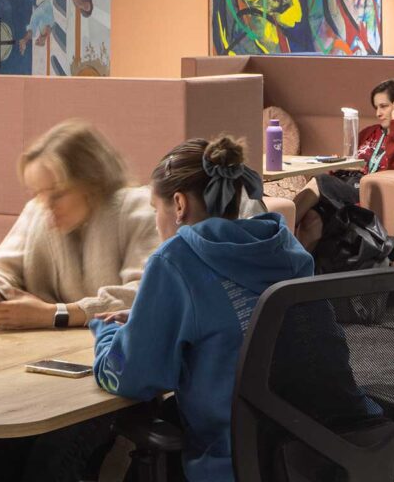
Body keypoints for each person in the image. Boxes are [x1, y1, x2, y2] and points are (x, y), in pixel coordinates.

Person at [92, 135, 375, 482]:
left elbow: (131, 378)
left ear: (179, 204)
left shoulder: (176, 259)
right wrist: (144, 321)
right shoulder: (284, 246)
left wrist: (106, 333)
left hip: (239, 462)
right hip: (328, 451)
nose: (156, 221)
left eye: (156, 209)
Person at [0, 120, 159, 330]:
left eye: (58, 194)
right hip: (48, 350)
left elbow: (146, 295)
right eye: (38, 193)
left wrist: (52, 315)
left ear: (92, 182)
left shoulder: (140, 209)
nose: (46, 206)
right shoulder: (37, 211)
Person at [291, 78, 394, 251]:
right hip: (348, 184)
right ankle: (300, 272)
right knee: (311, 218)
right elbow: (352, 159)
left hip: (369, 191)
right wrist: (339, 166)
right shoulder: (370, 133)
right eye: (376, 107)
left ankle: (276, 234)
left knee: (319, 181)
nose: (378, 113)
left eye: (384, 106)